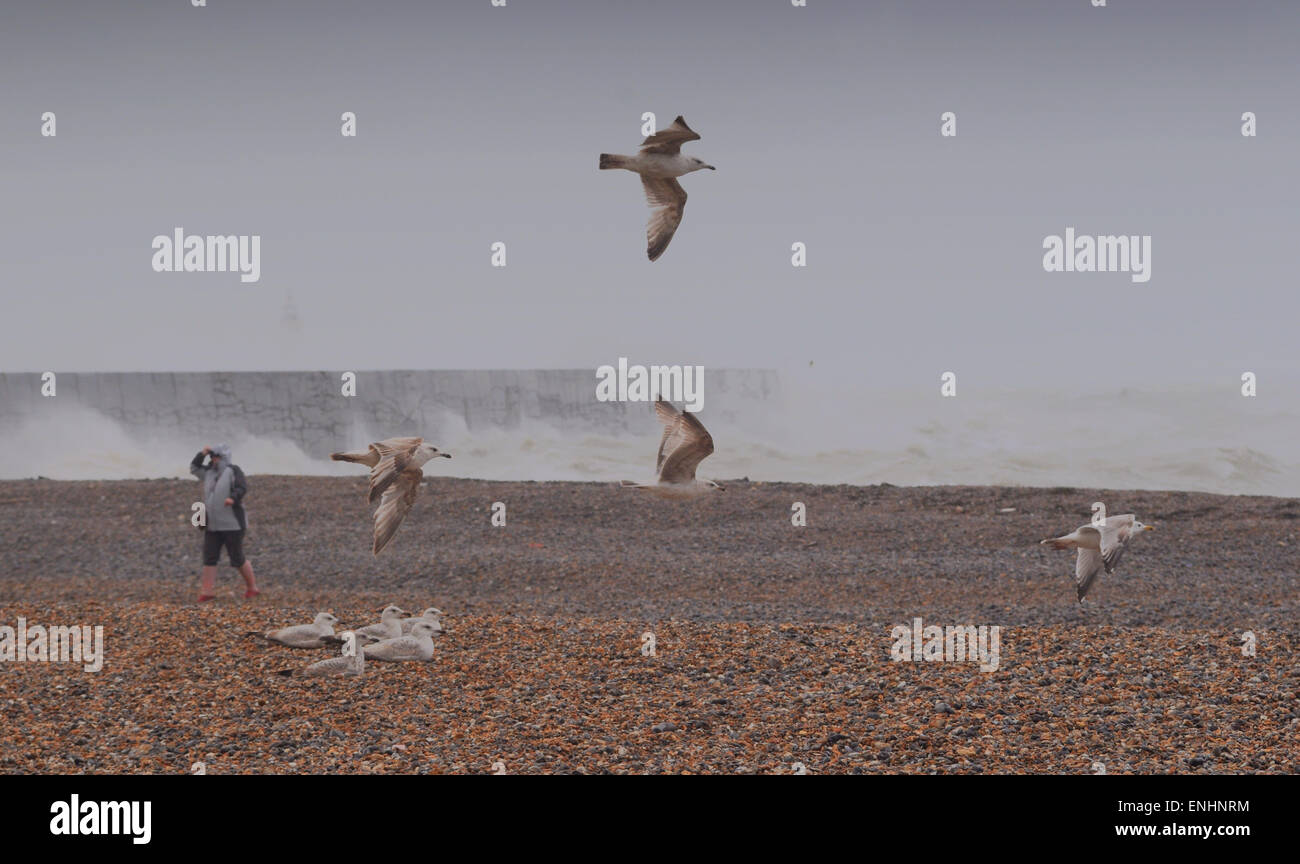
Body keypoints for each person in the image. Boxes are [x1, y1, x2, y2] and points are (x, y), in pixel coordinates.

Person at [190, 443, 260, 602]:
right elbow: (194, 468)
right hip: (212, 524)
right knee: (209, 557)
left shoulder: (233, 471)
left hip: (233, 524)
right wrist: (202, 453)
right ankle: (207, 591)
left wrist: (232, 498)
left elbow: (242, 488)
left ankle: (252, 587)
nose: (214, 459)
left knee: (237, 557)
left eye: (217, 456)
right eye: (212, 456)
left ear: (224, 457)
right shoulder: (208, 473)